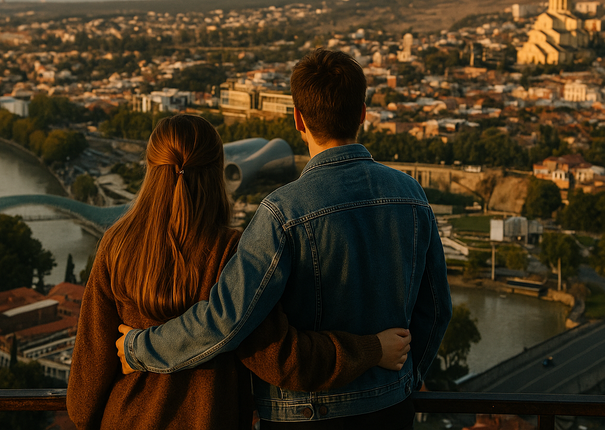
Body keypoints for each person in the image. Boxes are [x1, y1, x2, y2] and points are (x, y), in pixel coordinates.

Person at [119, 50, 453, 429]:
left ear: (298, 118)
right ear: (363, 113)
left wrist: (140, 348)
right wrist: (405, 380)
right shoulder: (412, 195)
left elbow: (226, 319)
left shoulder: (282, 212)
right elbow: (437, 310)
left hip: (304, 416)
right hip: (390, 409)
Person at [67, 114, 412, 430]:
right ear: (218, 172)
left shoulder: (116, 244)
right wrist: (370, 349)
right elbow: (281, 359)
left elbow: (84, 391)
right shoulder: (233, 252)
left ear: (150, 168)